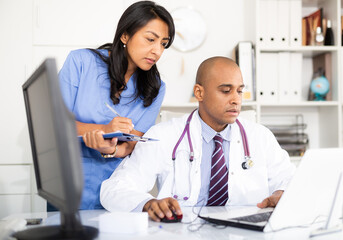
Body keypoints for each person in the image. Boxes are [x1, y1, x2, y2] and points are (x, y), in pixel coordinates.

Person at [100, 57, 296, 221]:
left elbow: (290, 179)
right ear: (199, 92)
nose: (236, 99)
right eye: (226, 91)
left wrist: (283, 194)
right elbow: (114, 189)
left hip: (245, 232)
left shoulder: (260, 137)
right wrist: (148, 204)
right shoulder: (163, 135)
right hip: (184, 232)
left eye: (239, 90)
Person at [58, 1, 175, 210]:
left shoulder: (155, 88)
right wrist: (103, 130)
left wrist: (111, 149)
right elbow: (54, 124)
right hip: (69, 183)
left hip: (117, 189)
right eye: (150, 39)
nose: (157, 51)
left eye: (163, 44)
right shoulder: (81, 62)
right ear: (125, 35)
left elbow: (132, 145)